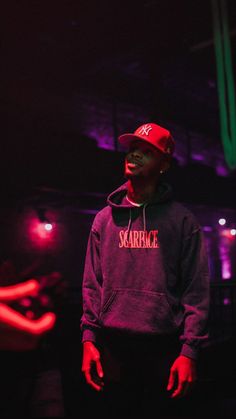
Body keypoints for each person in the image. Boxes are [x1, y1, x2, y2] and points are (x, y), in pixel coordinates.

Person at [81, 122, 210, 417]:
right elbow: (91, 283)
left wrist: (189, 352)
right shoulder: (104, 219)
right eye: (133, 149)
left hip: (163, 348)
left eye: (147, 152)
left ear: (164, 163)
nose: (135, 155)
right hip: (112, 348)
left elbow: (197, 291)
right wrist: (88, 339)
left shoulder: (182, 222)